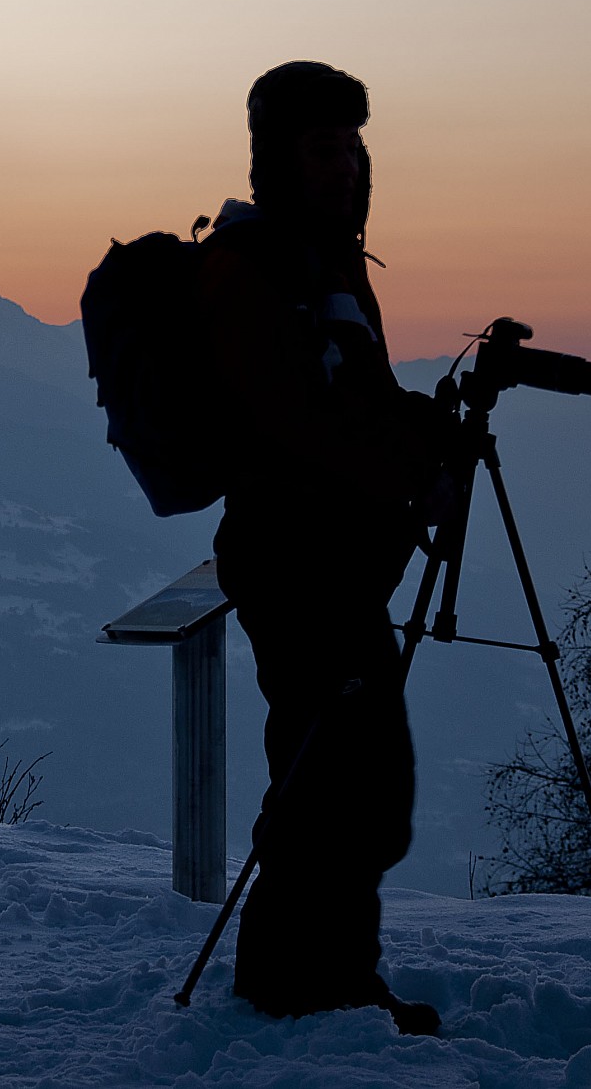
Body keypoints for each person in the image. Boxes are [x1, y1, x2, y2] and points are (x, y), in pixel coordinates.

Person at [198, 61, 448, 1034]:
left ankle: (326, 974)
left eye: (352, 145)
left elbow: (358, 404)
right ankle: (298, 982)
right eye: (321, 147)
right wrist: (404, 469)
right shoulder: (248, 268)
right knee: (329, 769)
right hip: (291, 557)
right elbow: (298, 419)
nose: (344, 165)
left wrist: (424, 432)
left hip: (337, 561)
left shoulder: (328, 265)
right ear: (275, 158)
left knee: (362, 776)